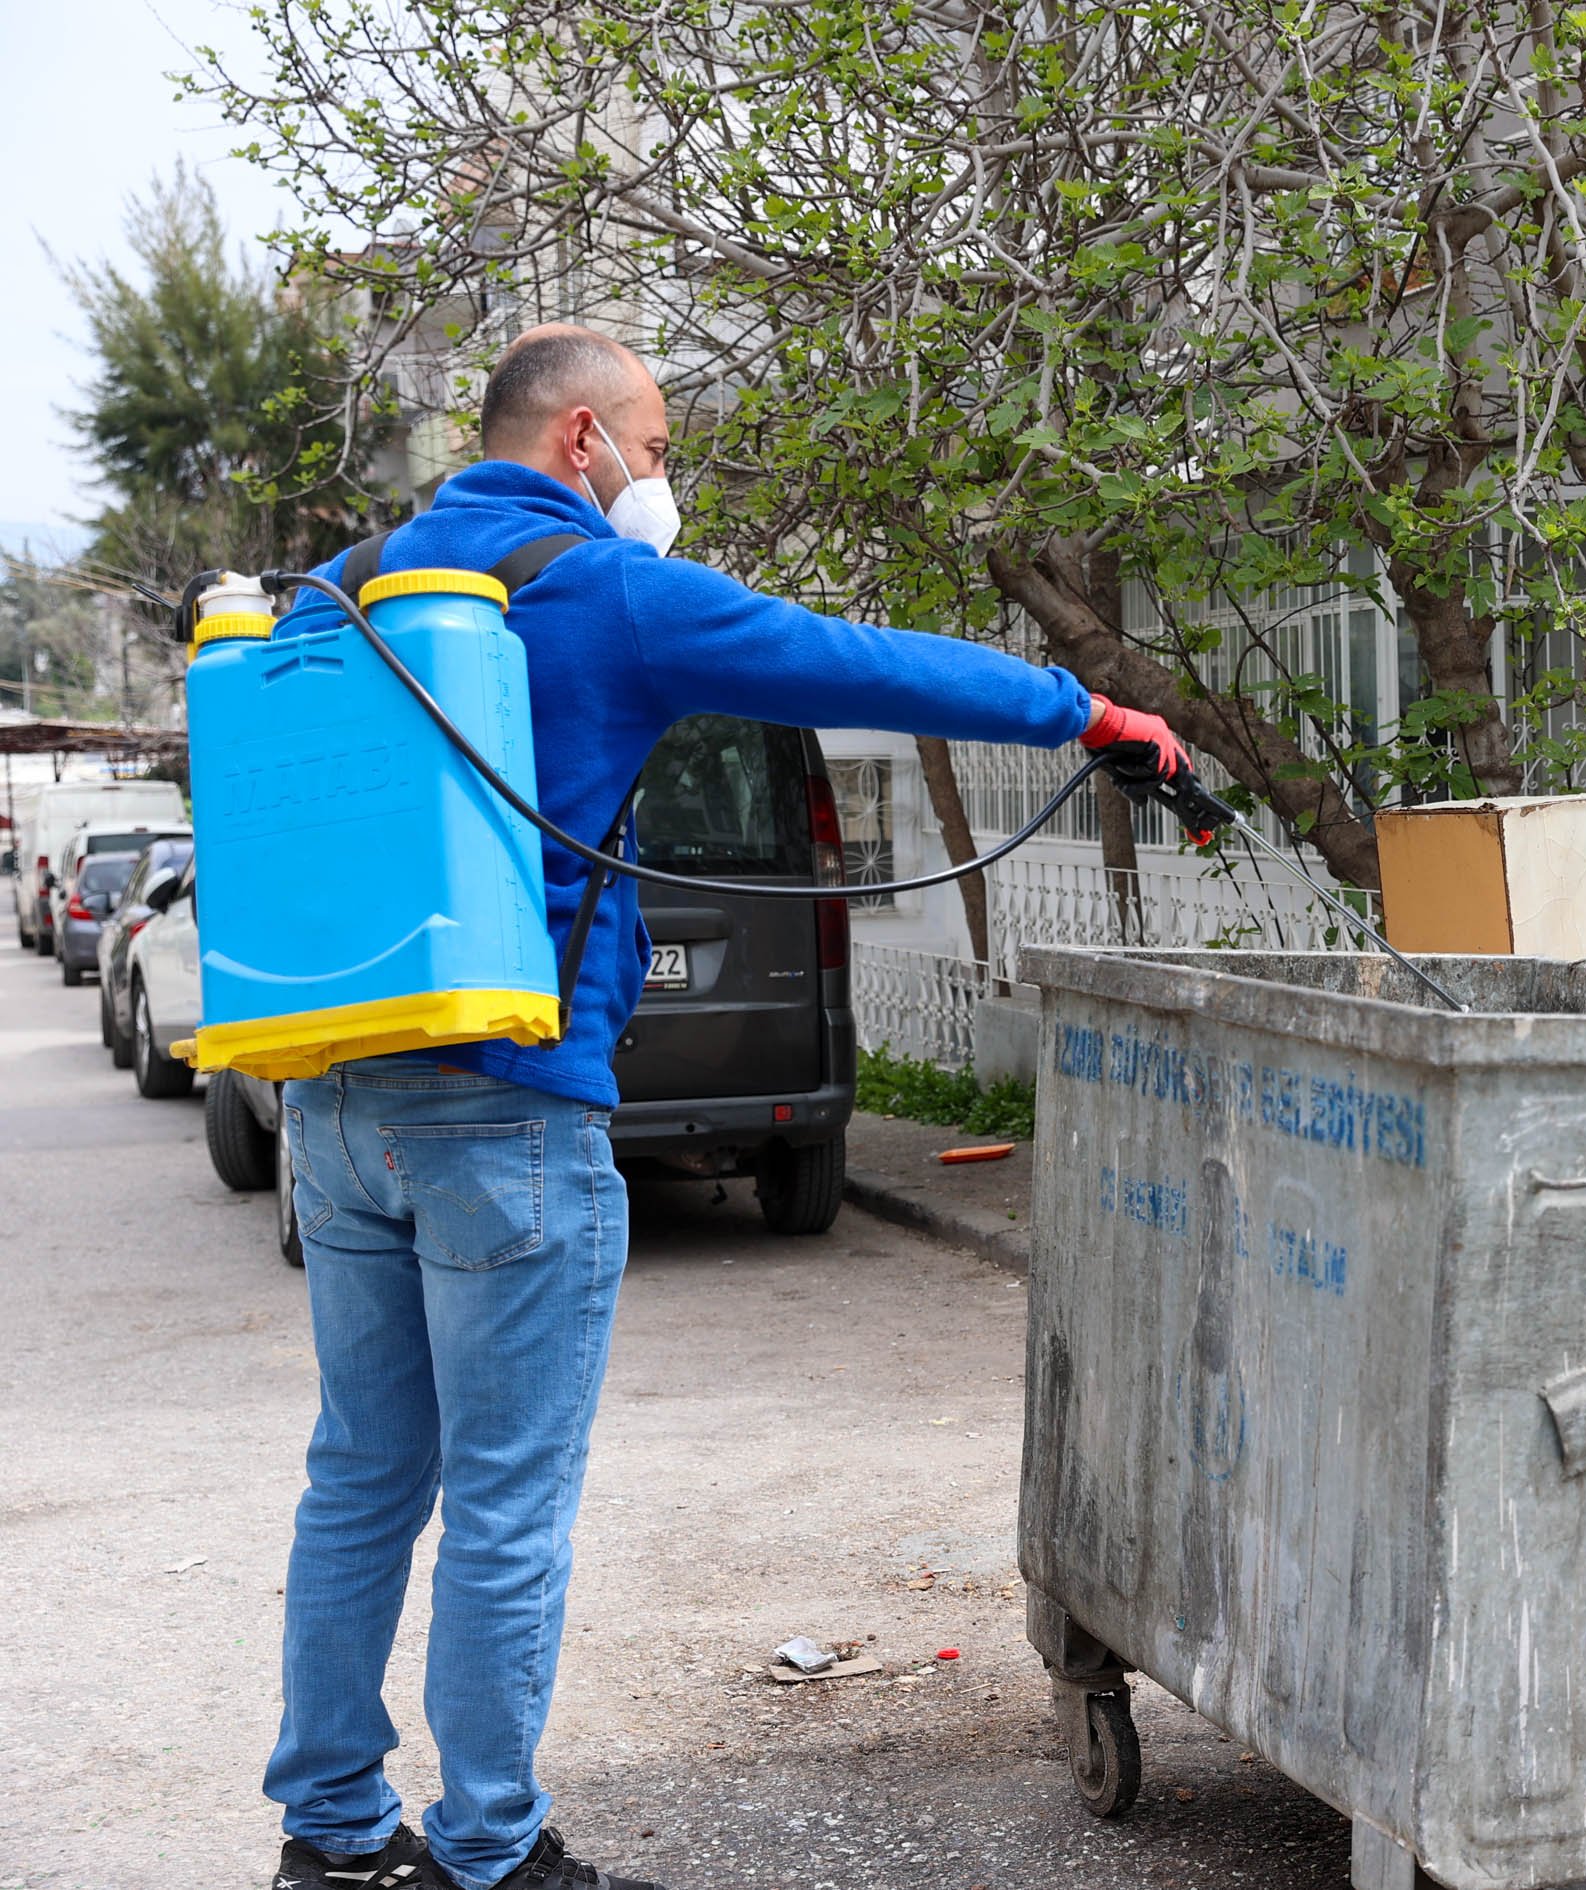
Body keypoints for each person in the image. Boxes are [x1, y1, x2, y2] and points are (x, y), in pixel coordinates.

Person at [261, 325, 1184, 1890]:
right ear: (578, 443)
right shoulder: (602, 589)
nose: (660, 473)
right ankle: (487, 1851)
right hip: (509, 1110)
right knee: (502, 1498)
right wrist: (1084, 715)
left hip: (341, 1102)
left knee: (361, 1473)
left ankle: (335, 1835)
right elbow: (854, 658)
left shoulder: (345, 589)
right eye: (657, 443)